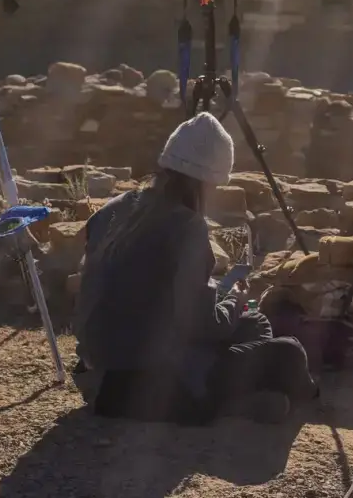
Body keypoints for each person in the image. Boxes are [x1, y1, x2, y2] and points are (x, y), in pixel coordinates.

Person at [71, 112, 319, 425]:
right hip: (153, 372)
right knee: (288, 350)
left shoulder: (113, 208)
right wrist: (235, 299)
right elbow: (205, 326)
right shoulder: (187, 227)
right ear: (207, 182)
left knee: (252, 324)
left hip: (99, 361)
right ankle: (242, 399)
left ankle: (242, 399)